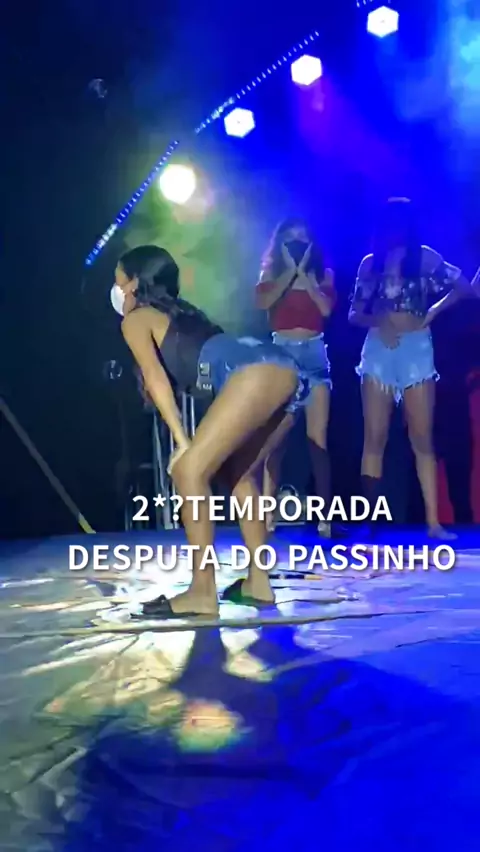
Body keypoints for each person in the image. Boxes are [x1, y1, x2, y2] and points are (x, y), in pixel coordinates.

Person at [110, 245, 310, 618]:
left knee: (188, 471)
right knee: (239, 475)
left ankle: (202, 591)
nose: (116, 290)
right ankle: (258, 584)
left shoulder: (136, 319)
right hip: (285, 370)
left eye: (118, 280)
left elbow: (156, 380)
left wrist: (183, 443)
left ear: (134, 284)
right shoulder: (186, 315)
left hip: (253, 373)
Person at [349, 197, 472, 538]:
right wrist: (379, 321)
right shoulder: (371, 264)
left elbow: (463, 288)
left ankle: (433, 523)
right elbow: (354, 313)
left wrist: (431, 312)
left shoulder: (425, 258)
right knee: (375, 437)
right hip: (379, 349)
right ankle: (369, 522)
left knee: (422, 437)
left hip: (416, 349)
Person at [256, 218, 336, 536]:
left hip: (314, 353)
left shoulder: (323, 274)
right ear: (281, 244)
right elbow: (263, 302)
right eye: (291, 239)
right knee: (276, 440)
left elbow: (326, 310)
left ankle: (325, 517)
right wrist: (289, 271)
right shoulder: (270, 273)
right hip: (282, 355)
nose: (298, 244)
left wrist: (304, 273)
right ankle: (267, 516)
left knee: (318, 441)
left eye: (303, 238)